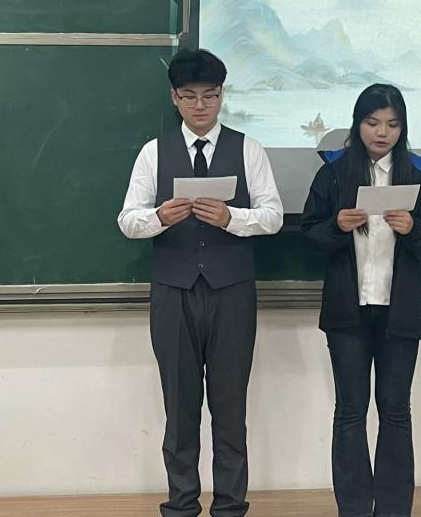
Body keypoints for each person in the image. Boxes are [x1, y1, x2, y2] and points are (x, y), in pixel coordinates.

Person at [118, 48, 284, 517]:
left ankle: (230, 506)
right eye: (189, 96)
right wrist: (159, 217)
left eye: (210, 96)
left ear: (222, 95)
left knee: (230, 408)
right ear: (174, 98)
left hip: (232, 291)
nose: (200, 105)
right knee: (180, 407)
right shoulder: (154, 152)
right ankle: (181, 505)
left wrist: (233, 218)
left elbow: (273, 216)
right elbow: (127, 220)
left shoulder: (248, 149)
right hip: (173, 292)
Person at [300, 83, 421, 517]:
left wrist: (412, 229)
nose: (382, 133)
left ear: (403, 128)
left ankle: (395, 510)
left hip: (399, 313)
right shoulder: (333, 173)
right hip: (348, 313)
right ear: (357, 124)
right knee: (350, 412)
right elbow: (309, 235)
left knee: (396, 412)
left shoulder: (417, 174)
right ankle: (354, 509)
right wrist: (337, 226)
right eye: (373, 122)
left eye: (392, 124)